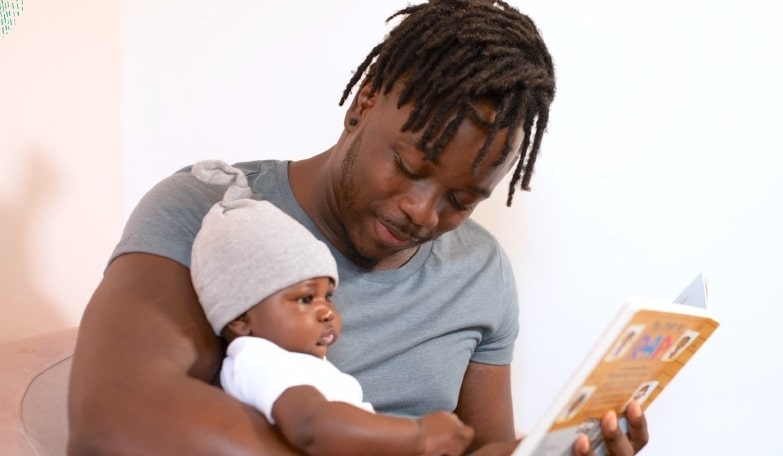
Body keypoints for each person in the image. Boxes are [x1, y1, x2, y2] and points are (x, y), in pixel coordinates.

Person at [68, 1, 650, 455]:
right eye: (408, 166)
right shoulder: (210, 210)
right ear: (364, 103)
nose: (423, 213)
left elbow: (473, 447)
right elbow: (112, 422)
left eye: (462, 199)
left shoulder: (481, 272)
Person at [188, 160, 473, 455]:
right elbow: (311, 426)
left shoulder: (296, 362)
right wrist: (418, 435)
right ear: (241, 318)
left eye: (329, 297)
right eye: (305, 299)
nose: (326, 312)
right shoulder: (258, 360)